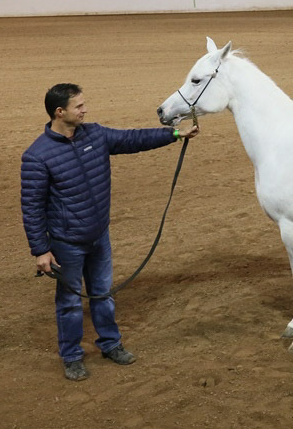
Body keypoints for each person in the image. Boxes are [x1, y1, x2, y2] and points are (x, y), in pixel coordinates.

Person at [21, 83, 199, 381]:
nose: (85, 110)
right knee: (69, 302)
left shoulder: (95, 134)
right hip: (67, 243)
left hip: (99, 235)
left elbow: (132, 139)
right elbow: (32, 207)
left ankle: (110, 343)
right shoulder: (37, 156)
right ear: (59, 112)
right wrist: (40, 249)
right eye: (79, 106)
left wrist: (175, 133)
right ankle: (72, 355)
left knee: (103, 293)